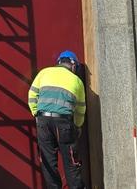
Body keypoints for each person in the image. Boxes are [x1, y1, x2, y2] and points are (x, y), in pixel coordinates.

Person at [27, 50, 87, 189]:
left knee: (48, 162)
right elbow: (80, 109)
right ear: (73, 65)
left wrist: (37, 115)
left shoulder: (44, 73)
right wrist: (77, 126)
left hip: (43, 121)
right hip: (64, 123)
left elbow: (31, 96)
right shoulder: (76, 81)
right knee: (71, 163)